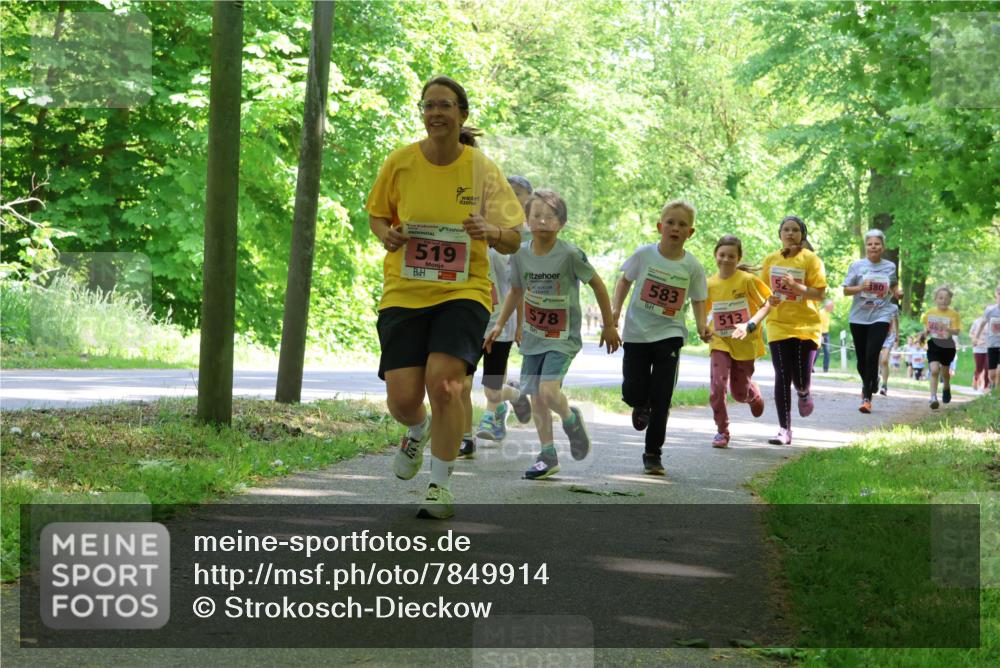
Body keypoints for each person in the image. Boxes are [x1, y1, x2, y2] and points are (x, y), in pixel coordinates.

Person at [367, 75, 523, 519]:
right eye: (429, 105)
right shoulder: (400, 163)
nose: (436, 112)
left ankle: (439, 486)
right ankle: (416, 429)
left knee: (447, 383)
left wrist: (488, 230)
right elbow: (378, 217)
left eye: (445, 105)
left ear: (462, 114)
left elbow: (513, 237)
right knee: (402, 399)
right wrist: (389, 236)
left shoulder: (482, 169)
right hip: (405, 291)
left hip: (464, 291)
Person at [485, 189, 621, 480]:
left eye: (550, 216)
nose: (543, 221)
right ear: (527, 220)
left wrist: (609, 325)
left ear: (561, 223)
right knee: (536, 397)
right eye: (536, 215)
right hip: (534, 336)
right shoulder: (520, 255)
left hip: (562, 337)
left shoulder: (570, 254)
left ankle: (571, 420)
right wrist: (500, 324)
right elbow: (516, 291)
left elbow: (597, 284)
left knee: (547, 392)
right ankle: (547, 455)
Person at [611, 200, 709, 473]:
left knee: (663, 396)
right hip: (636, 333)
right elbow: (624, 281)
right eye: (670, 223)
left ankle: (653, 453)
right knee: (633, 390)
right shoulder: (644, 255)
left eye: (682, 225)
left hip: (670, 334)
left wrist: (702, 326)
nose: (675, 228)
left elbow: (699, 299)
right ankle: (639, 404)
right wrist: (615, 311)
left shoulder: (692, 266)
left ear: (690, 232)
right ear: (660, 227)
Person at [760, 215, 827, 444]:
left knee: (800, 377)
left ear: (802, 235)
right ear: (780, 234)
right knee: (781, 376)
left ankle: (804, 392)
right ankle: (784, 429)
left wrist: (796, 286)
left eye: (795, 230)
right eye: (786, 230)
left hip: (806, 325)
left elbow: (819, 294)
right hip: (778, 324)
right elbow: (763, 291)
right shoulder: (770, 260)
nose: (790, 234)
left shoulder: (811, 260)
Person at [704, 235, 770, 448]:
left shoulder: (747, 280)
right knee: (717, 386)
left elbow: (768, 303)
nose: (725, 259)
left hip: (744, 341)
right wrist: (703, 329)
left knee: (739, 393)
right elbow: (705, 313)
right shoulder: (709, 284)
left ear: (738, 257)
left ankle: (753, 393)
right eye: (722, 255)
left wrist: (749, 324)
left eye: (731, 256)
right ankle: (722, 431)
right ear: (715, 255)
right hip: (720, 341)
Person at [842, 229, 898, 413]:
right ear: (866, 247)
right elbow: (846, 290)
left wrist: (897, 292)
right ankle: (872, 380)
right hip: (858, 317)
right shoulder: (857, 266)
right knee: (861, 361)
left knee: (872, 354)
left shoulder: (890, 266)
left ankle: (866, 397)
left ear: (883, 247)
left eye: (877, 243)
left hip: (881, 315)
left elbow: (894, 285)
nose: (873, 246)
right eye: (870, 244)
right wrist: (860, 287)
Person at [920, 286, 961, 409]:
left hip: (948, 345)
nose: (943, 300)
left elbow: (957, 332)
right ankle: (933, 397)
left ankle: (946, 386)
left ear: (950, 300)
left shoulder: (954, 315)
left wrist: (947, 328)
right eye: (940, 298)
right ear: (936, 299)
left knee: (945, 372)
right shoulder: (929, 314)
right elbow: (926, 330)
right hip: (934, 344)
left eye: (946, 298)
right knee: (934, 370)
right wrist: (924, 334)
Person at [972, 284, 1000, 394]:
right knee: (991, 375)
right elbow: (982, 324)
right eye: (999, 294)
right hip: (992, 345)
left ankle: (997, 395)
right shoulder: (990, 310)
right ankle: (994, 387)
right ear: (996, 295)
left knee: (999, 371)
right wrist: (976, 337)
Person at [877, 304, 899, 396]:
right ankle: (876, 377)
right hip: (877, 334)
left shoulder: (893, 307)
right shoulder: (875, 304)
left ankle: (884, 385)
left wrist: (897, 334)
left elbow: (895, 321)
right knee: (875, 360)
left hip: (889, 336)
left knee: (885, 360)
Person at [970, 316, 989, 392]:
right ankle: (976, 379)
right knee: (979, 368)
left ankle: (986, 387)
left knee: (987, 367)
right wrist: (976, 341)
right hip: (978, 348)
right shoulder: (977, 321)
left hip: (989, 348)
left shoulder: (994, 321)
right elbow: (971, 334)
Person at [814, 299, 833, 373]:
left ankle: (826, 369)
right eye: (831, 306)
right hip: (820, 334)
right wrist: (820, 335)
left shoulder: (828, 313)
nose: (832, 308)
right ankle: (811, 366)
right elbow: (817, 324)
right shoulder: (821, 313)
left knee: (827, 352)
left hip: (826, 334)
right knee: (817, 351)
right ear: (827, 306)